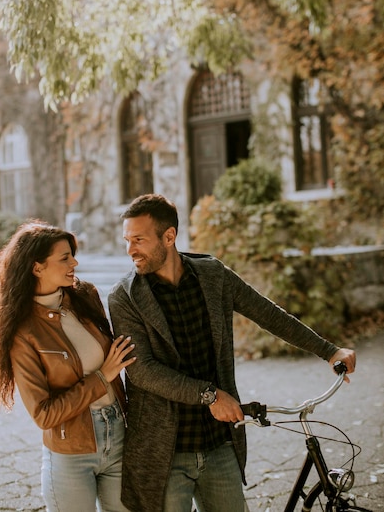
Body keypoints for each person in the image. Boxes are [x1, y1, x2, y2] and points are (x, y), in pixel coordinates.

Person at [108, 194, 357, 512]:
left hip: (219, 443)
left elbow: (268, 314)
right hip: (164, 452)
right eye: (127, 240)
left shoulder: (212, 275)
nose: (130, 250)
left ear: (169, 236)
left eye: (139, 240)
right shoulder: (125, 296)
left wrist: (329, 350)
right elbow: (142, 370)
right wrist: (210, 395)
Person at [0, 220, 136, 512]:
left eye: (72, 255)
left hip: (119, 435)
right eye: (64, 258)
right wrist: (102, 378)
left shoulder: (85, 296)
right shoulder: (24, 332)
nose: (74, 262)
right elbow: (44, 414)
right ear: (37, 267)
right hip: (71, 452)